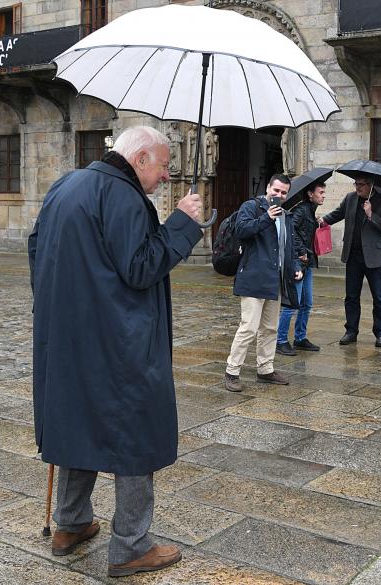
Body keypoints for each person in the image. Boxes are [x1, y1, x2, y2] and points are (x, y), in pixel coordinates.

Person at [28, 126, 204, 576]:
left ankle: (70, 523)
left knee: (77, 422)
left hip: (69, 336)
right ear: (141, 158)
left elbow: (36, 251)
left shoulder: (65, 185)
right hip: (119, 341)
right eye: (164, 165)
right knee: (134, 433)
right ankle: (130, 545)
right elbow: (141, 266)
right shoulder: (124, 198)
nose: (166, 176)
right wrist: (182, 223)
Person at [224, 174, 303, 392]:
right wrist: (267, 218)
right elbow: (241, 230)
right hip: (253, 276)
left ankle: (265, 368)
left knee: (270, 328)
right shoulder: (251, 207)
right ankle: (232, 371)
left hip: (274, 280)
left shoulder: (286, 216)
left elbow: (289, 247)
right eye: (275, 190)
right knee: (248, 327)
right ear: (268, 188)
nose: (278, 195)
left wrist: (295, 267)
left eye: (283, 192)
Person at [320, 174, 381, 347]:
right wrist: (323, 220)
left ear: (371, 185)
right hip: (353, 256)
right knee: (351, 296)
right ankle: (351, 331)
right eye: (356, 184)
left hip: (374, 258)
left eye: (361, 185)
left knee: (379, 298)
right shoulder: (350, 198)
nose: (357, 187)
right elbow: (338, 213)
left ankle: (380, 333)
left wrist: (371, 214)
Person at [276, 180, 327, 356]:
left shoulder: (310, 211)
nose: (323, 195)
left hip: (308, 263)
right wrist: (301, 251)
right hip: (298, 262)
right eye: (320, 192)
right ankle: (280, 340)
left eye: (323, 192)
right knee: (292, 303)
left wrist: (317, 222)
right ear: (310, 194)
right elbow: (291, 230)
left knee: (307, 303)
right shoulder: (301, 210)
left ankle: (300, 338)